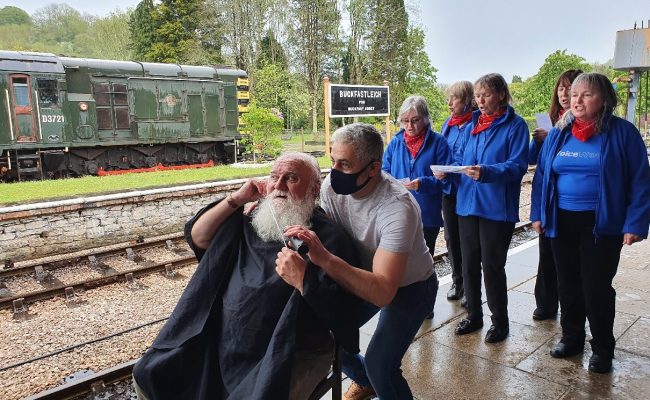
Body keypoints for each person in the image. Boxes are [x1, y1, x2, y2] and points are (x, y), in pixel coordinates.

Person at [132, 152, 362, 399]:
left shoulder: (329, 240)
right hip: (223, 338)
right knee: (151, 375)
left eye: (291, 178)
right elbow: (198, 236)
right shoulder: (250, 219)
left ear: (314, 190)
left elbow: (345, 314)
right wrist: (236, 198)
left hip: (289, 348)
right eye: (274, 177)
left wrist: (304, 279)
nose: (279, 185)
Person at [282, 123, 438, 400]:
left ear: (373, 168)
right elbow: (311, 215)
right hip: (362, 273)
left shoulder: (396, 208)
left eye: (344, 164)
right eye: (332, 161)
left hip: (410, 287)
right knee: (328, 331)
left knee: (381, 364)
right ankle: (365, 381)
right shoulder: (332, 187)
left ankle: (376, 379)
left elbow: (382, 291)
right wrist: (265, 202)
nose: (335, 171)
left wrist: (326, 259)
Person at [531, 72, 650, 373]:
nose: (577, 100)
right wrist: (537, 214)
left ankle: (602, 349)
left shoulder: (622, 132)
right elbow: (543, 176)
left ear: (604, 99)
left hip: (602, 223)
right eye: (574, 95)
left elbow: (640, 180)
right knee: (567, 284)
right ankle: (571, 339)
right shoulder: (559, 132)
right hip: (561, 220)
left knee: (596, 286)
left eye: (586, 94)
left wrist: (635, 222)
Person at [447, 73, 529, 343]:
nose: (480, 100)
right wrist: (448, 171)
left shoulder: (515, 126)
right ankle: (473, 315)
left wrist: (487, 172)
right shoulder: (472, 124)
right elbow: (460, 158)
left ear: (501, 95)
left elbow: (518, 166)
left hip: (496, 208)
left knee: (492, 265)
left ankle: (500, 322)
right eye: (478, 96)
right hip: (467, 206)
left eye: (487, 95)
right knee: (468, 263)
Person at [528, 69, 582, 321]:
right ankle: (546, 303)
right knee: (546, 252)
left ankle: (572, 308)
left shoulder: (583, 121)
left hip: (574, 203)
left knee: (571, 260)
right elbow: (532, 160)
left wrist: (554, 137)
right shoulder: (547, 118)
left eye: (569, 88)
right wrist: (538, 141)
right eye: (560, 88)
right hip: (549, 196)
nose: (564, 93)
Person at [439, 81, 475, 303]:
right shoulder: (448, 124)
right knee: (451, 236)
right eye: (449, 98)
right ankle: (457, 281)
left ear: (468, 100)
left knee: (468, 239)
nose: (450, 103)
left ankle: (471, 287)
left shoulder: (477, 123)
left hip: (468, 188)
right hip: (449, 187)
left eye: (454, 98)